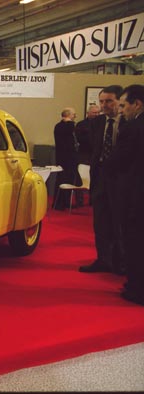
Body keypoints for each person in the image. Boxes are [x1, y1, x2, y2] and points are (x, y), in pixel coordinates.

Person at [79, 85, 125, 274]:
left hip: (122, 181)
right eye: (101, 101)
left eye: (109, 101)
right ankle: (103, 259)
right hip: (100, 179)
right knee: (100, 222)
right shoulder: (97, 123)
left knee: (120, 224)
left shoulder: (129, 122)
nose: (104, 105)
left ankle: (121, 263)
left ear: (119, 101)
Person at [106, 84, 144, 305]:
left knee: (135, 242)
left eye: (123, 105)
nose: (121, 110)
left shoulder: (132, 128)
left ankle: (136, 289)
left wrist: (106, 167)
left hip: (135, 196)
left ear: (136, 104)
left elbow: (118, 160)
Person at [52, 107, 79, 210]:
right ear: (68, 115)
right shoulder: (65, 126)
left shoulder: (60, 126)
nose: (75, 116)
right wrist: (70, 122)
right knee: (64, 180)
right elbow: (71, 130)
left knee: (67, 180)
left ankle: (65, 202)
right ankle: (61, 203)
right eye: (73, 114)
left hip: (66, 157)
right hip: (66, 158)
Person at [74, 104, 100, 206]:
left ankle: (93, 200)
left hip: (96, 154)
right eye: (94, 112)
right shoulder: (81, 124)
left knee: (96, 177)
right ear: (88, 113)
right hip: (84, 154)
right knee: (80, 177)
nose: (97, 114)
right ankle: (79, 200)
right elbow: (79, 138)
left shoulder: (101, 123)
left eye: (98, 112)